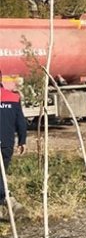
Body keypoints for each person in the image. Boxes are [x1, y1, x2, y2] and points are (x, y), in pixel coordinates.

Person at [0, 71, 27, 213]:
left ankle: (6, 198)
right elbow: (21, 122)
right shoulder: (13, 98)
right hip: (6, 144)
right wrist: (22, 141)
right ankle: (7, 199)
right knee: (2, 172)